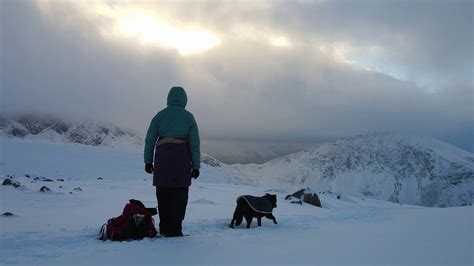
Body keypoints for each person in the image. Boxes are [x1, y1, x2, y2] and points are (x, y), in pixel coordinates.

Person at [144, 86, 200, 237]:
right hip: (181, 162)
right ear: (185, 100)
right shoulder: (189, 117)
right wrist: (196, 166)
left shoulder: (159, 116)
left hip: (162, 162)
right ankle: (176, 229)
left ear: (168, 98)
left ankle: (164, 228)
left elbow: (149, 140)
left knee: (163, 195)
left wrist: (148, 161)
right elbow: (194, 144)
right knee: (180, 196)